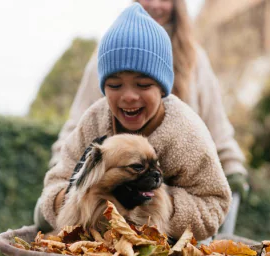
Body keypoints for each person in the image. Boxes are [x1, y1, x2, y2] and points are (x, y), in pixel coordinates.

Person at [35, 3, 232, 241]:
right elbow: (57, 182)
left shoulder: (185, 131)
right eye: (115, 85)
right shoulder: (94, 120)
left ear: (162, 88)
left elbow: (214, 202)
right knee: (40, 218)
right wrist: (75, 196)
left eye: (143, 85)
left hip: (172, 245)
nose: (128, 96)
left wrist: (159, 203)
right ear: (103, 88)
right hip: (95, 238)